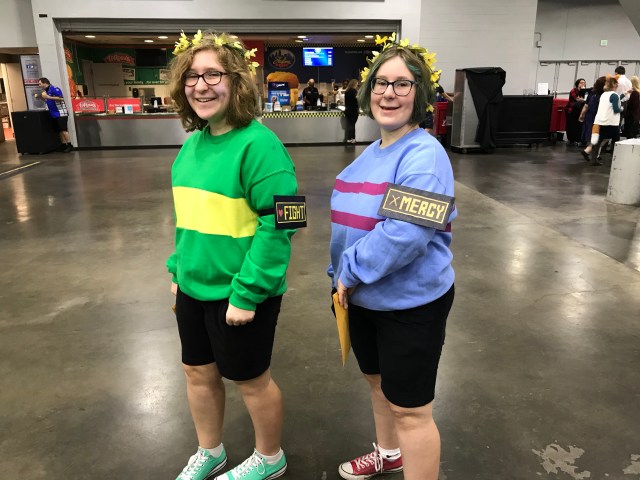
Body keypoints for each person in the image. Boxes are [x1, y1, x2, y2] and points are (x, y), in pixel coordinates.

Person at [167, 31, 298, 480]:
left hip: (241, 293)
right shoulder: (192, 144)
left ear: (237, 81)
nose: (201, 86)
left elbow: (284, 223)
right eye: (191, 76)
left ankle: (270, 457)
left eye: (213, 75)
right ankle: (210, 451)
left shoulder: (262, 146)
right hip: (193, 286)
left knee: (251, 380)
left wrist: (248, 293)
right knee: (197, 373)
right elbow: (188, 216)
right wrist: (178, 269)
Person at [329, 34, 456, 480]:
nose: (389, 93)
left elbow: (407, 234)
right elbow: (349, 225)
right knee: (379, 386)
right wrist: (340, 275)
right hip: (363, 297)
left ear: (419, 94)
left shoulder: (425, 155)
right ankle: (388, 454)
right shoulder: (373, 152)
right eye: (381, 83)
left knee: (411, 411)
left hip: (410, 304)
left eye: (402, 84)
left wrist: (348, 272)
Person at [585, 75, 621, 166]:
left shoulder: (604, 94)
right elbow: (616, 109)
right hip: (611, 122)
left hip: (600, 121)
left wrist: (625, 94)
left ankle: (593, 160)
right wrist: (622, 109)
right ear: (614, 85)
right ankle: (617, 160)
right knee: (616, 140)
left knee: (598, 141)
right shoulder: (614, 95)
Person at [37, 77, 73, 152]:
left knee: (64, 130)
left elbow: (61, 98)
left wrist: (48, 97)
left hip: (61, 112)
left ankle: (70, 145)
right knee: (59, 130)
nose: (39, 85)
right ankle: (63, 144)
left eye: (40, 84)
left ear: (45, 83)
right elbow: (48, 100)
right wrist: (41, 98)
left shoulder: (54, 89)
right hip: (53, 113)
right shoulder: (45, 91)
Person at [579, 76, 606, 159]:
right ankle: (591, 152)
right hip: (597, 117)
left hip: (590, 115)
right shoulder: (605, 95)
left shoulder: (593, 93)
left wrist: (582, 115)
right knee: (600, 136)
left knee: (591, 135)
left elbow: (586, 105)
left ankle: (593, 153)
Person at [565, 78, 586, 146]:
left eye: (584, 83)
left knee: (578, 125)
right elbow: (577, 99)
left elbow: (584, 99)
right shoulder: (573, 90)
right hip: (571, 110)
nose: (583, 84)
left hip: (580, 110)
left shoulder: (585, 91)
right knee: (571, 125)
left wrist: (583, 99)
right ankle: (571, 140)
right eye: (581, 83)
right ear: (577, 84)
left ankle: (577, 139)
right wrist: (584, 100)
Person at [343, 79, 359, 143]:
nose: (357, 85)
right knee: (352, 124)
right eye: (357, 84)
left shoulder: (346, 91)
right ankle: (352, 138)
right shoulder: (354, 91)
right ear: (354, 84)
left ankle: (349, 138)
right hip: (354, 110)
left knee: (350, 124)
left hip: (347, 110)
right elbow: (357, 100)